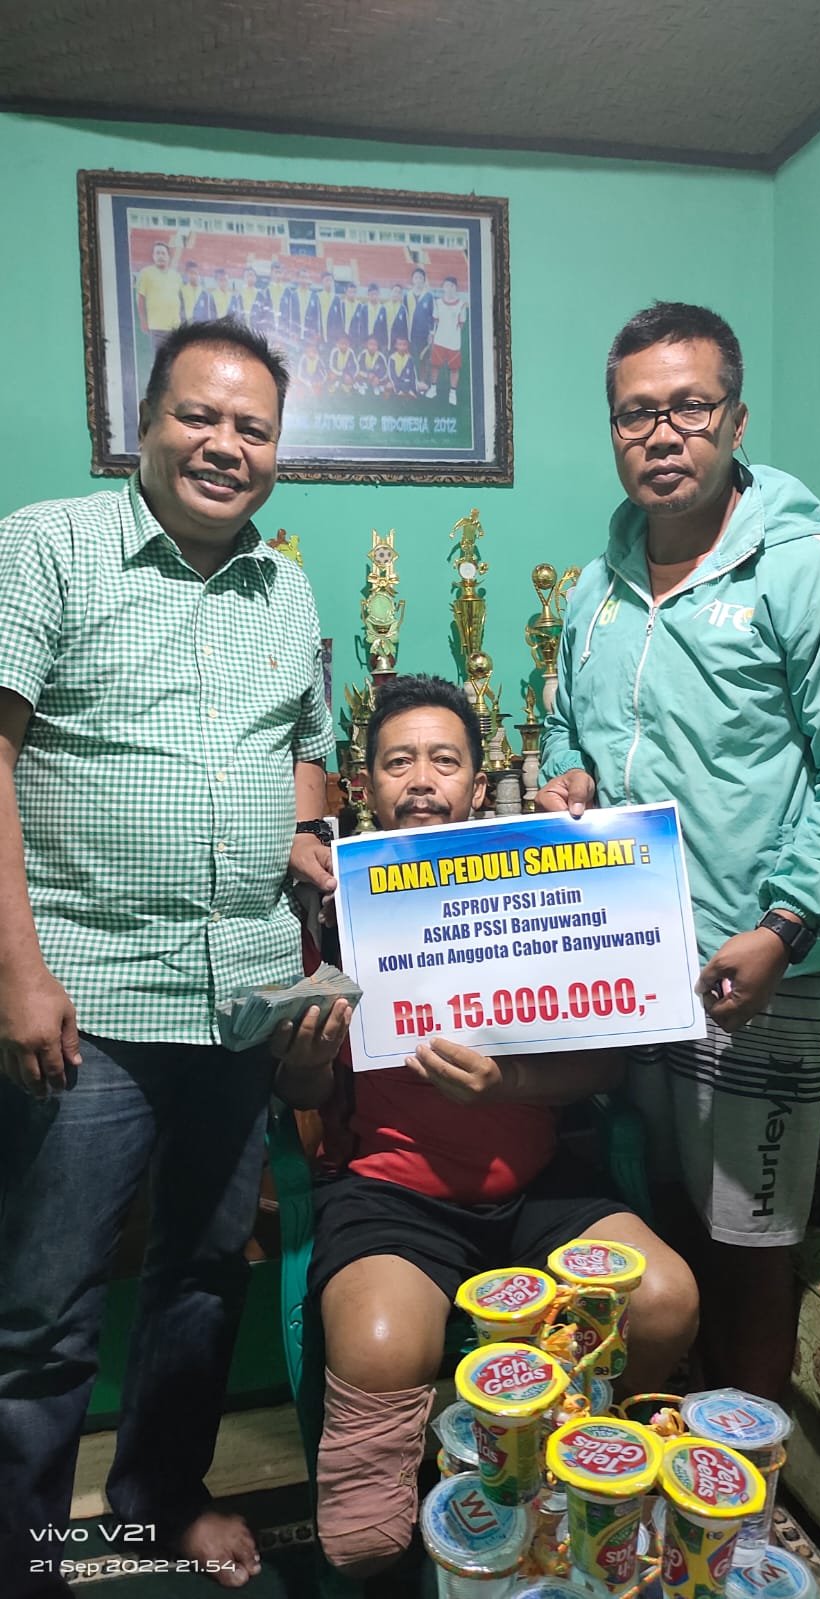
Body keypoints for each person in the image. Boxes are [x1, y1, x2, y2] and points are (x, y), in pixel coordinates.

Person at [0, 317, 337, 1596]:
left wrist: (302, 829)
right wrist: (16, 972)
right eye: (200, 416)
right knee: (44, 1315)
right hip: (83, 1002)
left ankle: (160, 1499)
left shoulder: (284, 585)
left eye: (253, 428)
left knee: (201, 1276)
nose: (224, 445)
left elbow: (304, 746)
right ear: (140, 424)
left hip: (238, 1000)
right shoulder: (47, 546)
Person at [537, 301, 820, 1401]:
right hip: (626, 957)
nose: (661, 434)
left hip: (755, 963)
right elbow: (563, 723)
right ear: (611, 429)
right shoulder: (594, 587)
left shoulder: (808, 569)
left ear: (735, 420)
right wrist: (567, 772)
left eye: (688, 407)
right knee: (652, 1212)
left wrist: (784, 927)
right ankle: (660, 1443)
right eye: (634, 413)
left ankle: (745, 1481)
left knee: (749, 1238)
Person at [273, 673, 699, 1581]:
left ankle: (583, 1479)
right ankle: (411, 1545)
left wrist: (509, 1080)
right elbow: (299, 1086)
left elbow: (605, 1067)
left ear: (476, 782)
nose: (422, 779)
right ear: (365, 784)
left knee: (664, 1297)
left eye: (444, 760)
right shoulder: (329, 906)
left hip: (536, 1187)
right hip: (391, 1197)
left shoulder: (540, 884)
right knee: (365, 1518)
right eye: (399, 762)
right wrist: (307, 1058)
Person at [425, 276, 467, 406]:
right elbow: (435, 321)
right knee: (435, 366)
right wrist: (432, 335)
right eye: (447, 285)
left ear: (455, 288)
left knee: (454, 368)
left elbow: (462, 323)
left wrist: (452, 333)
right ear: (443, 287)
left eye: (452, 286)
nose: (449, 288)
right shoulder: (438, 303)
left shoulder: (461, 304)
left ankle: (452, 392)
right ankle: (433, 388)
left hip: (454, 343)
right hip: (439, 341)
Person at [135, 239, 183, 350]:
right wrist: (143, 320)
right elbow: (140, 298)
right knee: (160, 356)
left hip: (175, 327)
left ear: (168, 257)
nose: (160, 256)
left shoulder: (176, 276)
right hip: (156, 326)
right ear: (153, 256)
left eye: (163, 253)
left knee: (174, 356)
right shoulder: (146, 273)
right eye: (157, 253)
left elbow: (180, 299)